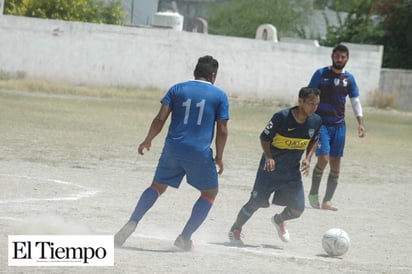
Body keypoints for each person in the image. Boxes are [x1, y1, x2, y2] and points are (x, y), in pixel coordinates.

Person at [114, 55, 229, 251]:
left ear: (194, 72)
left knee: (157, 186)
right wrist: (218, 156)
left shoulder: (177, 89)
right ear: (213, 76)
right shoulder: (219, 95)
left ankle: (132, 221)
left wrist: (148, 139)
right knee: (210, 192)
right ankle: (185, 237)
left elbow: (160, 118)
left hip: (173, 148)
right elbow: (223, 129)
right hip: (199, 152)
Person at [228, 87, 321, 245]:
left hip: (291, 173)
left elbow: (314, 139)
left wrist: (308, 158)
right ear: (300, 102)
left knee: (298, 209)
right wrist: (269, 156)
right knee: (255, 203)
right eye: (311, 103)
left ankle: (279, 220)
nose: (314, 107)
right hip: (269, 170)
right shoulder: (282, 117)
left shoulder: (316, 121)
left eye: (317, 104)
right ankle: (235, 229)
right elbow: (264, 137)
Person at [307, 44, 366, 211]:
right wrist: (306, 115)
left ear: (347, 59)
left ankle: (327, 201)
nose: (339, 59)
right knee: (323, 158)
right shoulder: (321, 74)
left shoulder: (349, 79)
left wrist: (360, 123)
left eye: (343, 57)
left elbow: (355, 101)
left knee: (335, 163)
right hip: (321, 124)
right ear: (332, 56)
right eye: (337, 56)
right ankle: (313, 194)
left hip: (339, 126)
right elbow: (309, 93)